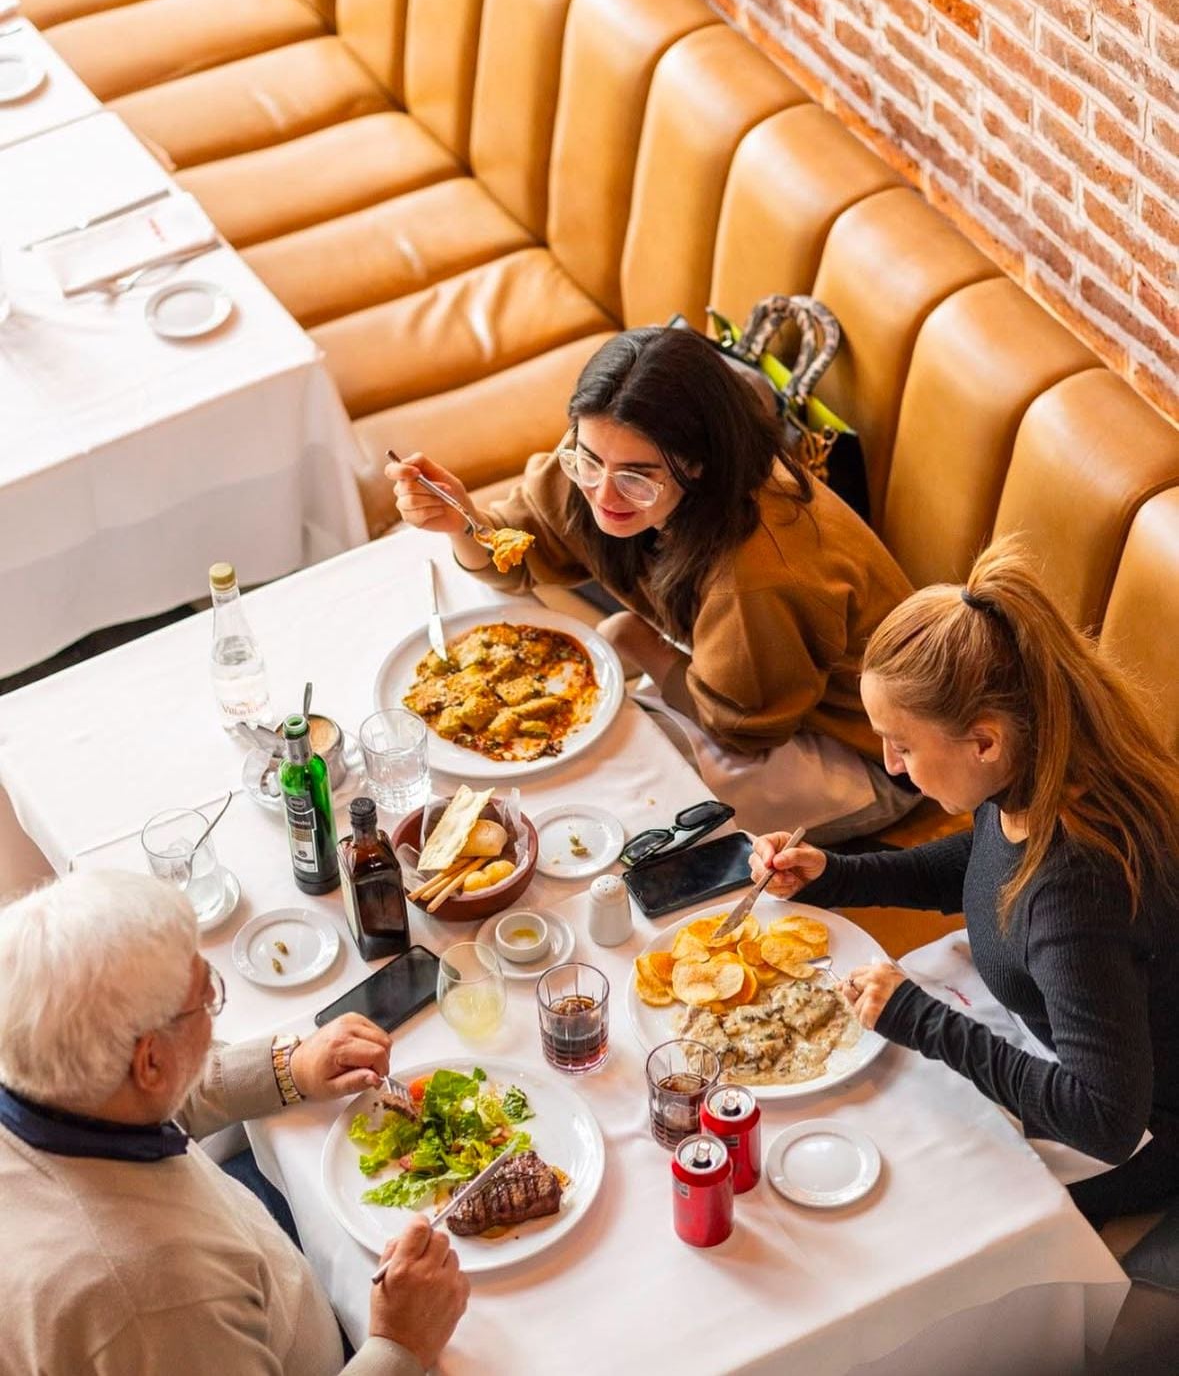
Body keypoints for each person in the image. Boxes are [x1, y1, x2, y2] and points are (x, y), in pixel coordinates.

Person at [751, 538, 1179, 1225]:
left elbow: (1103, 1119)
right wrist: (833, 874)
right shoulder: (1039, 767)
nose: (890, 766)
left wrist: (918, 1018)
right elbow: (983, 866)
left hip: (1136, 1132)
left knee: (888, 1197)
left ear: (983, 741)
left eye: (903, 744)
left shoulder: (1076, 892)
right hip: (1039, 1029)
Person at [388, 324, 915, 841]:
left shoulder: (757, 574)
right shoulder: (606, 454)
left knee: (618, 798)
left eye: (636, 478)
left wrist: (633, 641)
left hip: (867, 751)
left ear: (701, 464)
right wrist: (462, 523)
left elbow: (743, 728)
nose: (602, 494)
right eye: (586, 459)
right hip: (742, 684)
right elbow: (521, 549)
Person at [0, 870, 469, 1375]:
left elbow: (128, 1094)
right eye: (207, 996)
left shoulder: (44, 1074)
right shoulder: (159, 1302)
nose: (214, 1009)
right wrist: (399, 1345)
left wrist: (288, 1069)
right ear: (151, 1062)